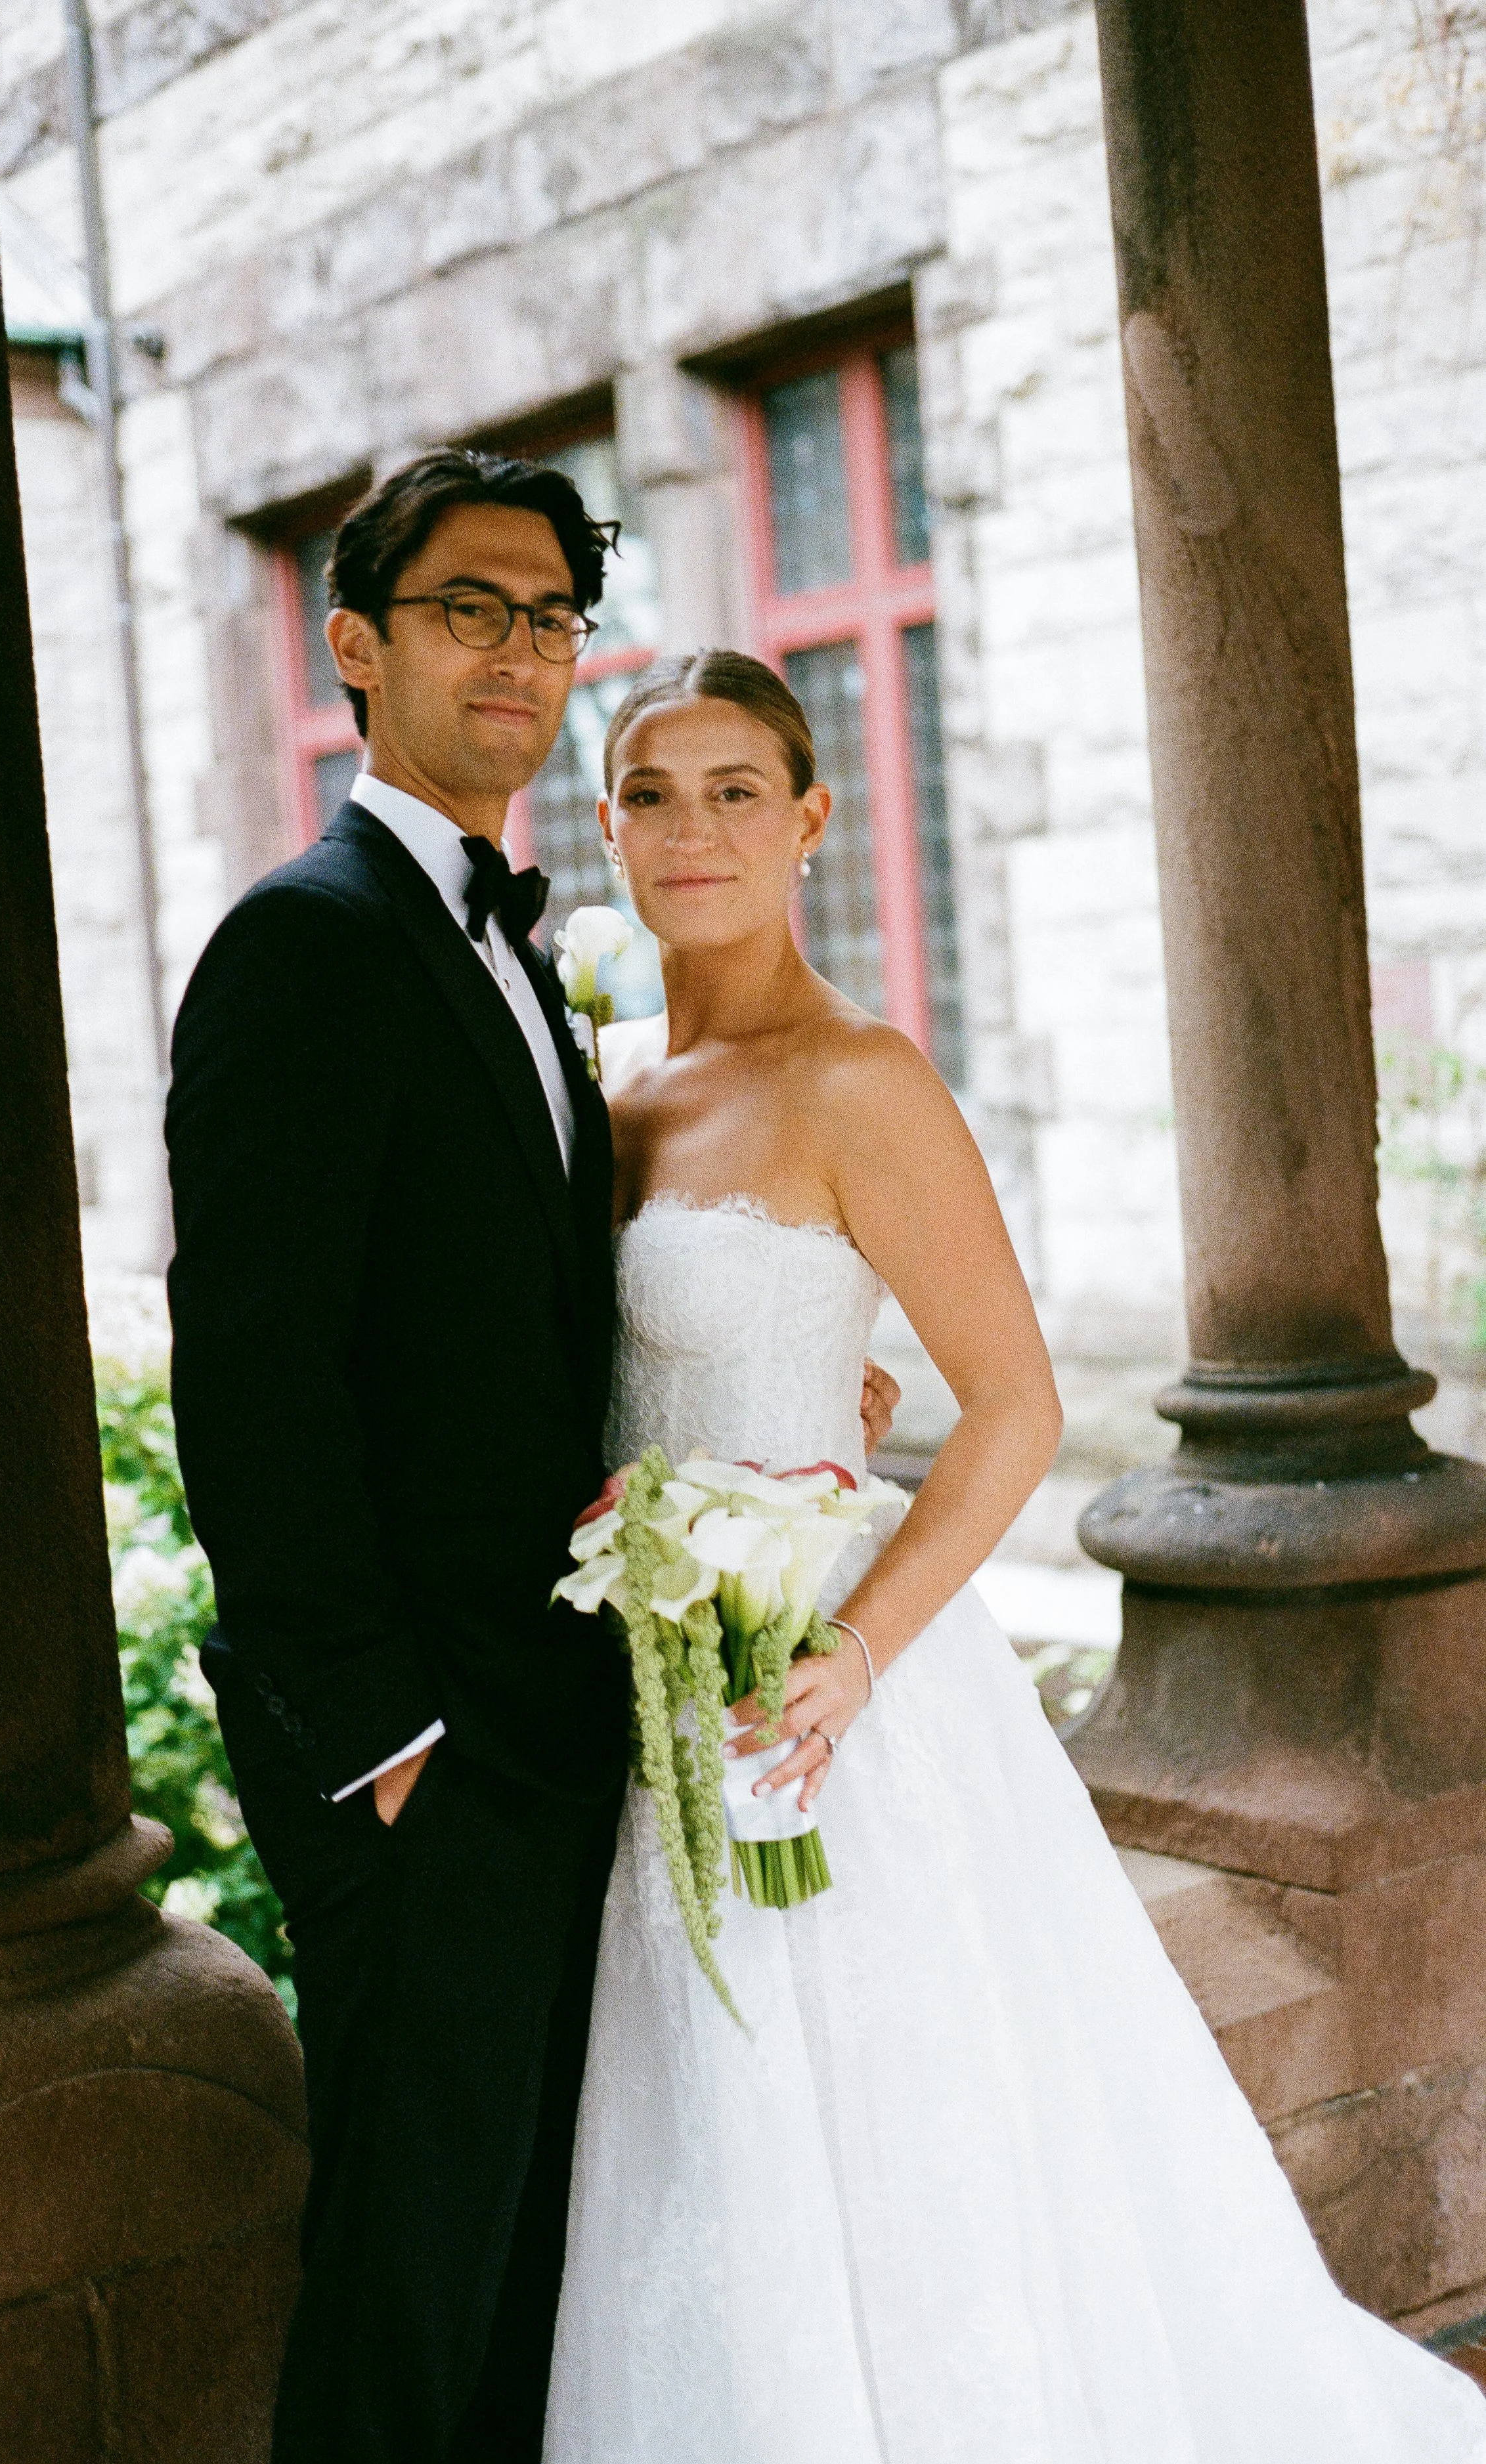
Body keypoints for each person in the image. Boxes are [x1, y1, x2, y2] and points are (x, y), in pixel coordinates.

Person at [543, 650, 1486, 2464]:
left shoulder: (860, 1080)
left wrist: (851, 1659)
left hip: (833, 1701)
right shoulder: (631, 1102)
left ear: (812, 821)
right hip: (655, 1686)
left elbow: (1017, 1410)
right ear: (608, 831)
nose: (694, 830)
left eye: (739, 790)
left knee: (900, 2138)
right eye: (652, 794)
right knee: (713, 2128)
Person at [165, 460, 896, 2463]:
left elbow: (520, 1326)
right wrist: (383, 1735)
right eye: (468, 606)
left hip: (557, 1710)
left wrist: (773, 1411)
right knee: (411, 2282)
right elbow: (250, 1378)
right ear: (357, 647)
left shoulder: (509, 950)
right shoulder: (301, 946)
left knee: (520, 2280)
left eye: (552, 612)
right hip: (424, 1751)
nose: (517, 649)